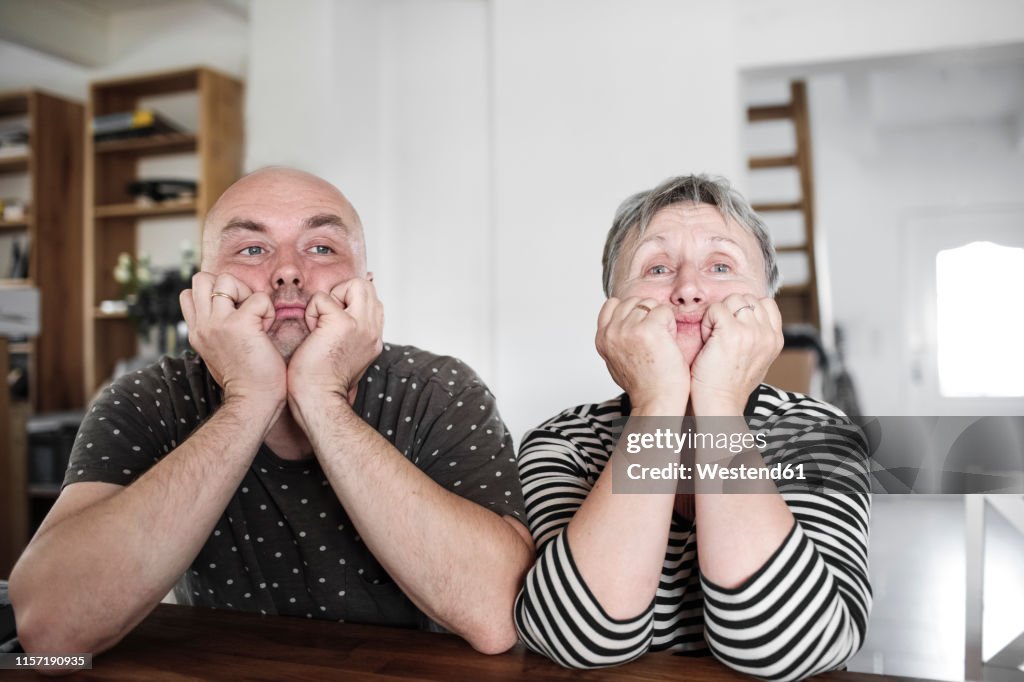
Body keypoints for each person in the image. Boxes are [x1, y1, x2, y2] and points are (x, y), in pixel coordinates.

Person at [10, 167, 534, 656]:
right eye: (253, 248)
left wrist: (321, 400)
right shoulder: (144, 399)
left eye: (322, 247)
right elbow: (51, 631)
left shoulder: (440, 391)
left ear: (365, 288)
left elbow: (498, 616)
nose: (287, 272)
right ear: (203, 288)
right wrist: (250, 400)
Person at [513, 174, 871, 681]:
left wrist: (719, 403)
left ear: (767, 308)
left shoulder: (819, 432)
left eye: (720, 265)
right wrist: (658, 402)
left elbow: (793, 648)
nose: (686, 289)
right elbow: (578, 639)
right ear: (612, 310)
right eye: (656, 267)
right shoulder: (563, 442)